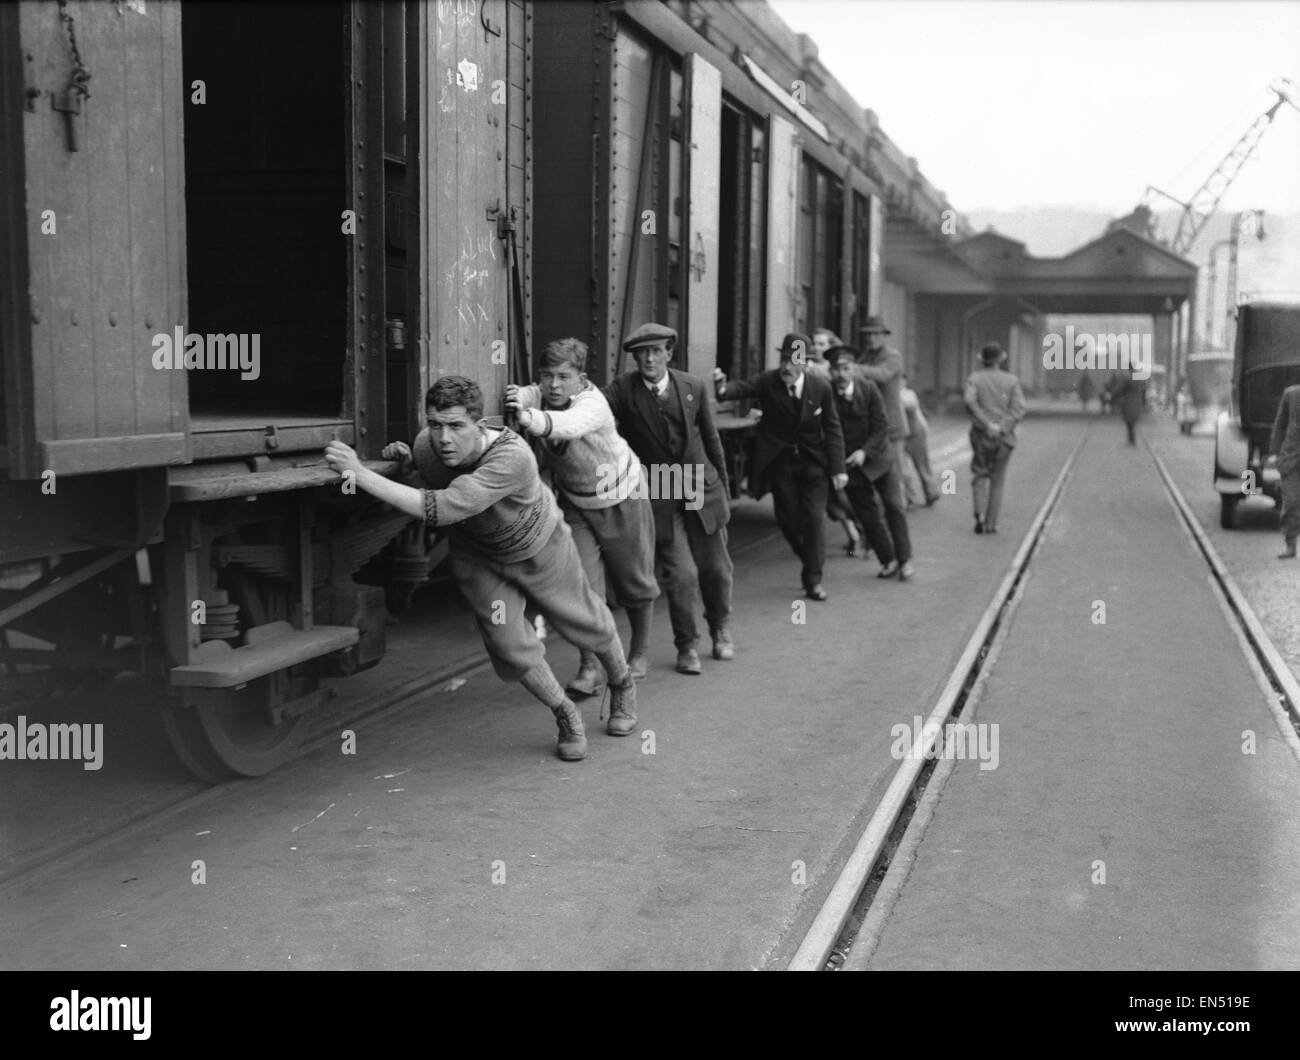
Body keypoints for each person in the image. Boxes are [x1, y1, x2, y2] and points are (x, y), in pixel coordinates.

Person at [323, 376, 638, 762]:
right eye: (435, 424)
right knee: (509, 646)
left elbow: (441, 506)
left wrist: (359, 472)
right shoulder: (427, 447)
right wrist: (408, 466)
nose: (443, 438)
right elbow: (429, 481)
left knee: (587, 621)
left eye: (456, 426)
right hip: (478, 556)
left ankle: (622, 684)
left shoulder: (513, 456)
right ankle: (565, 713)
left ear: (481, 423)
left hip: (539, 547)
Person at [505, 338, 659, 697]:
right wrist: (518, 395)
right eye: (547, 376)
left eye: (563, 376)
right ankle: (590, 667)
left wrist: (527, 416)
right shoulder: (544, 392)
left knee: (635, 581)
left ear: (581, 378)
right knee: (583, 591)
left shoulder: (593, 403)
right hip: (576, 503)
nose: (554, 385)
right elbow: (530, 393)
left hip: (623, 494)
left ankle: (639, 653)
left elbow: (566, 426)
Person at [604, 323, 735, 676]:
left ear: (669, 353)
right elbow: (590, 407)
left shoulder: (692, 386)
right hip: (660, 488)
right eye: (642, 353)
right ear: (635, 357)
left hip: (699, 484)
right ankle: (687, 646)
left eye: (656, 351)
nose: (649, 358)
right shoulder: (622, 390)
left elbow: (711, 440)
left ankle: (720, 628)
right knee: (681, 574)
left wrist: (722, 489)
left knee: (716, 569)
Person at [714, 333, 847, 601]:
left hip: (814, 464)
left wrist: (838, 468)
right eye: (784, 359)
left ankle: (813, 579)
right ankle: (809, 560)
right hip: (782, 463)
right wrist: (721, 388)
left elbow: (833, 429)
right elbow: (741, 389)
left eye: (794, 361)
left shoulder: (820, 388)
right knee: (787, 522)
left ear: (806, 363)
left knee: (814, 519)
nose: (787, 367)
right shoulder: (768, 381)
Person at [829, 347, 914, 580]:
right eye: (836, 370)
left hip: (879, 460)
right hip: (851, 468)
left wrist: (864, 452)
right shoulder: (828, 396)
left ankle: (905, 561)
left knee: (894, 507)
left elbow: (881, 426)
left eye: (846, 369)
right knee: (868, 516)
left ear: (854, 370)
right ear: (830, 371)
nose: (841, 375)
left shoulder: (869, 390)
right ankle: (888, 560)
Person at [964, 342, 1026, 535]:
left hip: (981, 435)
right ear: (1001, 360)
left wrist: (985, 423)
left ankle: (979, 514)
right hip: (1004, 437)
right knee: (997, 481)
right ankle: (991, 524)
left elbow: (969, 400)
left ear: (982, 360)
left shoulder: (974, 378)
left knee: (980, 473)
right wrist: (1002, 426)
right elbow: (1019, 408)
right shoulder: (1011, 381)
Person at [811, 327, 862, 554]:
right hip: (822, 440)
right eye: (815, 344)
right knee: (834, 497)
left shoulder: (830, 372)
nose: (817, 348)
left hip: (841, 440)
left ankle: (859, 531)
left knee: (841, 494)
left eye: (822, 344)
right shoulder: (814, 368)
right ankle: (855, 533)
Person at [855, 316, 909, 489]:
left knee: (897, 468)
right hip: (875, 423)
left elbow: (882, 374)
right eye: (868, 334)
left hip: (892, 423)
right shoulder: (866, 356)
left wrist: (853, 368)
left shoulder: (893, 356)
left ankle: (903, 504)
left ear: (884, 335)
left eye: (876, 334)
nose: (871, 338)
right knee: (885, 469)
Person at [1268, 383, 1300, 559]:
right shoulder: (1291, 394)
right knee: (1292, 503)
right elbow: (1280, 424)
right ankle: (1290, 545)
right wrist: (1274, 452)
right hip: (1291, 459)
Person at [900, 374, 940, 509]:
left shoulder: (909, 394)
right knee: (903, 469)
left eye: (902, 380)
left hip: (915, 433)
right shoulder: (891, 394)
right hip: (900, 435)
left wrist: (925, 427)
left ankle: (931, 492)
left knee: (922, 464)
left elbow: (917, 413)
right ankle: (910, 497)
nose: (900, 382)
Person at [1106, 372, 1147, 446]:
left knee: (1129, 421)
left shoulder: (1128, 379)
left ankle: (1131, 439)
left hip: (1129, 403)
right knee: (1132, 421)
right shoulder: (1140, 380)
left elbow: (1120, 389)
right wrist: (1144, 403)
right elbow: (1144, 393)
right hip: (1137, 403)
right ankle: (1131, 438)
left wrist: (1112, 395)